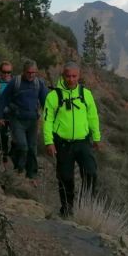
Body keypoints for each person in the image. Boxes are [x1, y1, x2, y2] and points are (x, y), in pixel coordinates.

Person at [43, 62, 101, 217]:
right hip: (63, 143)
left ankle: (85, 206)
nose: (71, 79)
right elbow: (47, 120)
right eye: (68, 76)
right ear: (63, 75)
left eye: (74, 76)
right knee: (65, 177)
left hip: (83, 142)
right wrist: (49, 142)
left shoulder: (85, 94)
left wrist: (96, 137)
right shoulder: (54, 96)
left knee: (90, 173)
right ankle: (67, 210)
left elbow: (93, 117)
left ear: (79, 76)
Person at [0, 60, 48, 180]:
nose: (31, 75)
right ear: (24, 71)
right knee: (23, 145)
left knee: (32, 148)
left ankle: (32, 175)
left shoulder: (39, 83)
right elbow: (3, 99)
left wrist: (53, 118)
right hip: (17, 119)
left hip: (32, 121)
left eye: (33, 73)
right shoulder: (16, 82)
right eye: (28, 72)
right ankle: (19, 169)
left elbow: (46, 102)